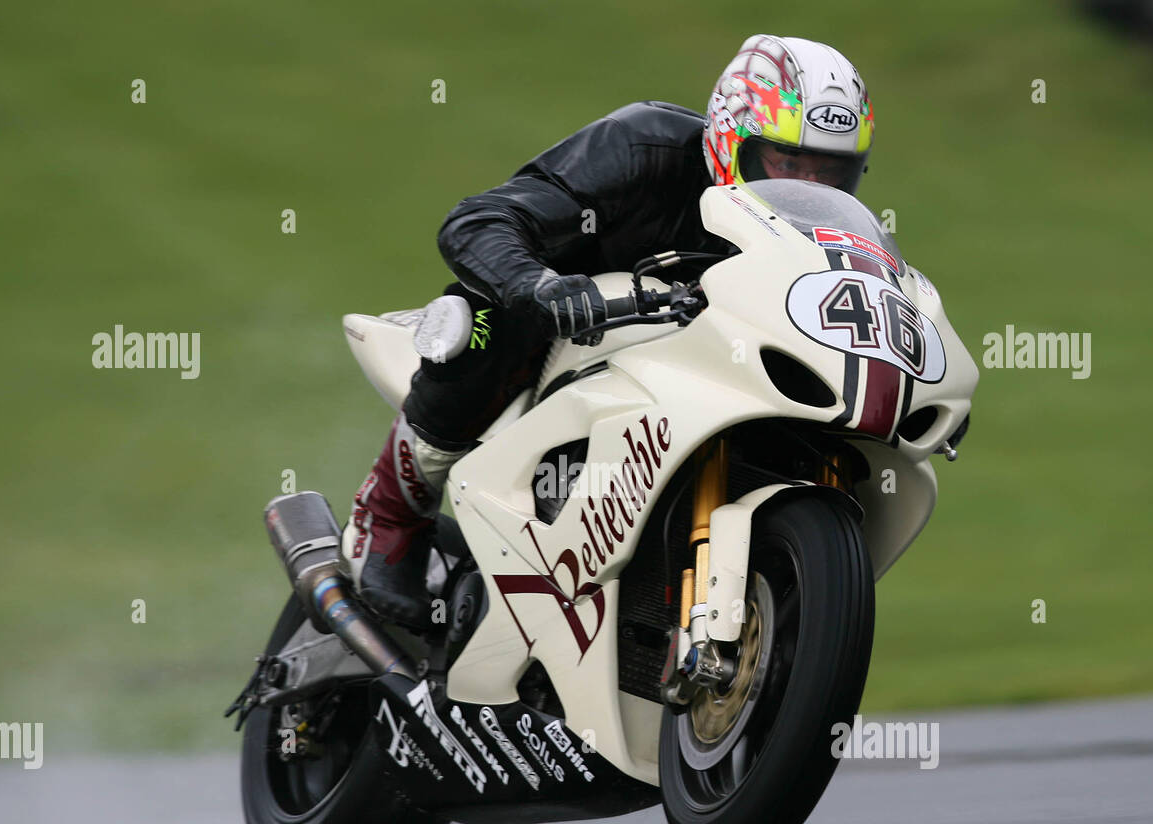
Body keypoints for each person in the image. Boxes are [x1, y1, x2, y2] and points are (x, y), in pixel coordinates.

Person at [341, 34, 875, 628]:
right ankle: (389, 514)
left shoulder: (828, 235)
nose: (805, 186)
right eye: (786, 162)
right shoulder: (644, 146)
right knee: (487, 320)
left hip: (693, 375)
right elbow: (480, 220)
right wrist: (540, 285)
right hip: (562, 339)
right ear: (732, 138)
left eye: (829, 174)